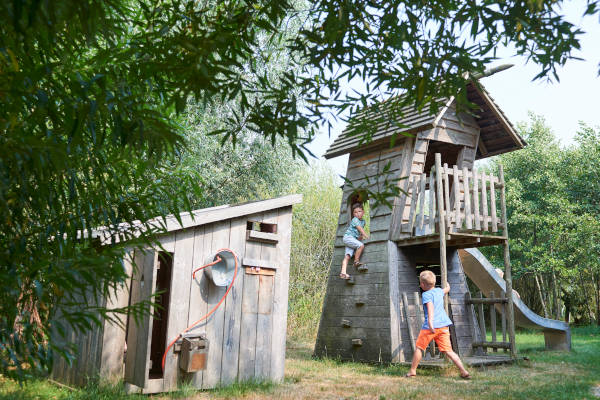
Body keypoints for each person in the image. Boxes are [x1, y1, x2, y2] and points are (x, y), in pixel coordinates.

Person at [405, 270, 471, 379]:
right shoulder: (439, 291)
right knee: (448, 351)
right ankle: (463, 371)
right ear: (434, 283)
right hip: (444, 326)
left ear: (422, 284)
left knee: (419, 348)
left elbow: (430, 308)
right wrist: (448, 286)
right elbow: (446, 290)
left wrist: (431, 323)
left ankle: (412, 370)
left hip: (430, 327)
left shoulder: (426, 294)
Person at [340, 203, 369, 279]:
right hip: (348, 238)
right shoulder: (355, 219)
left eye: (359, 211)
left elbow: (359, 233)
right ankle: (356, 261)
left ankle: (343, 273)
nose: (357, 214)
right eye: (355, 212)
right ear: (353, 214)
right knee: (361, 245)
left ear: (363, 212)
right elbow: (360, 229)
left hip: (351, 239)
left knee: (347, 256)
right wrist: (367, 236)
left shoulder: (363, 222)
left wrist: (361, 237)